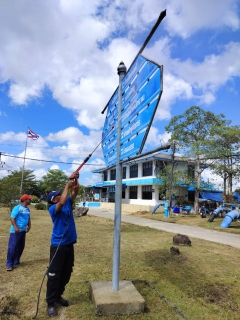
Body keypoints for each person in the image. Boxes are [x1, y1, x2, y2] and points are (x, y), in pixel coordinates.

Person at [46, 172, 79, 317]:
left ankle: (58, 295)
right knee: (54, 274)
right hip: (57, 246)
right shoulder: (54, 208)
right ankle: (50, 303)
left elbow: (75, 191)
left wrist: (75, 180)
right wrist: (67, 184)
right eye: (59, 194)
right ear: (54, 199)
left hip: (69, 245)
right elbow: (63, 201)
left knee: (66, 273)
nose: (61, 194)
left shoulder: (67, 203)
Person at [6, 194, 32, 271]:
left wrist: (29, 226)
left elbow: (28, 218)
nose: (30, 200)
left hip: (23, 231)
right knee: (12, 247)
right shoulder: (17, 208)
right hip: (15, 231)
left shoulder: (27, 209)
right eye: (29, 199)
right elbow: (12, 218)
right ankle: (9, 264)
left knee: (21, 247)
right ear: (24, 200)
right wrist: (15, 227)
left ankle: (16, 261)